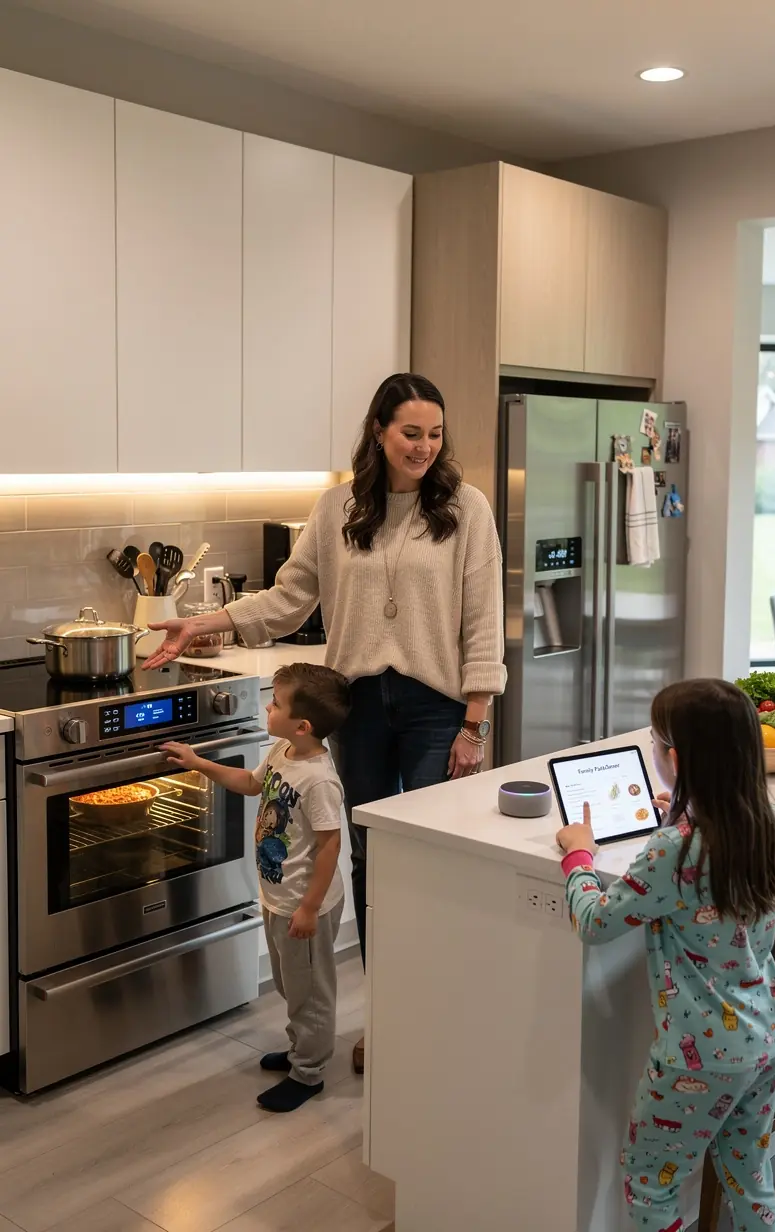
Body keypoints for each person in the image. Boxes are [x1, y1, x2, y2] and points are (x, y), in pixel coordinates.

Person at [143, 372, 507, 1074]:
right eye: (410, 433)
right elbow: (287, 599)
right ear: (379, 431)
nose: (424, 447)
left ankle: (432, 1010)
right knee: (370, 857)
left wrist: (476, 721)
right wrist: (204, 622)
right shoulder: (339, 507)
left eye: (435, 434)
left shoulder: (467, 509)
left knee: (428, 858)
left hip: (438, 709)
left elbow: (483, 614)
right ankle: (388, 1014)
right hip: (358, 705)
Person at [557, 679, 775, 1232]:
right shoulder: (767, 823)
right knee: (749, 1176)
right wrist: (676, 815)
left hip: (700, 1061)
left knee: (651, 1183)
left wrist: (579, 856)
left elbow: (595, 922)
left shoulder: (677, 847)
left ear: (677, 759)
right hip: (768, 1038)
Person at [162, 662, 351, 1113]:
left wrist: (307, 909)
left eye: (276, 703)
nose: (268, 705)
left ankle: (308, 1073)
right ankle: (298, 1049)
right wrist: (198, 763)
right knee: (291, 984)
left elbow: (328, 848)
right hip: (278, 898)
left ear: (302, 725)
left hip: (307, 907)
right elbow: (250, 783)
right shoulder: (284, 752)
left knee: (311, 993)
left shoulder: (320, 780)